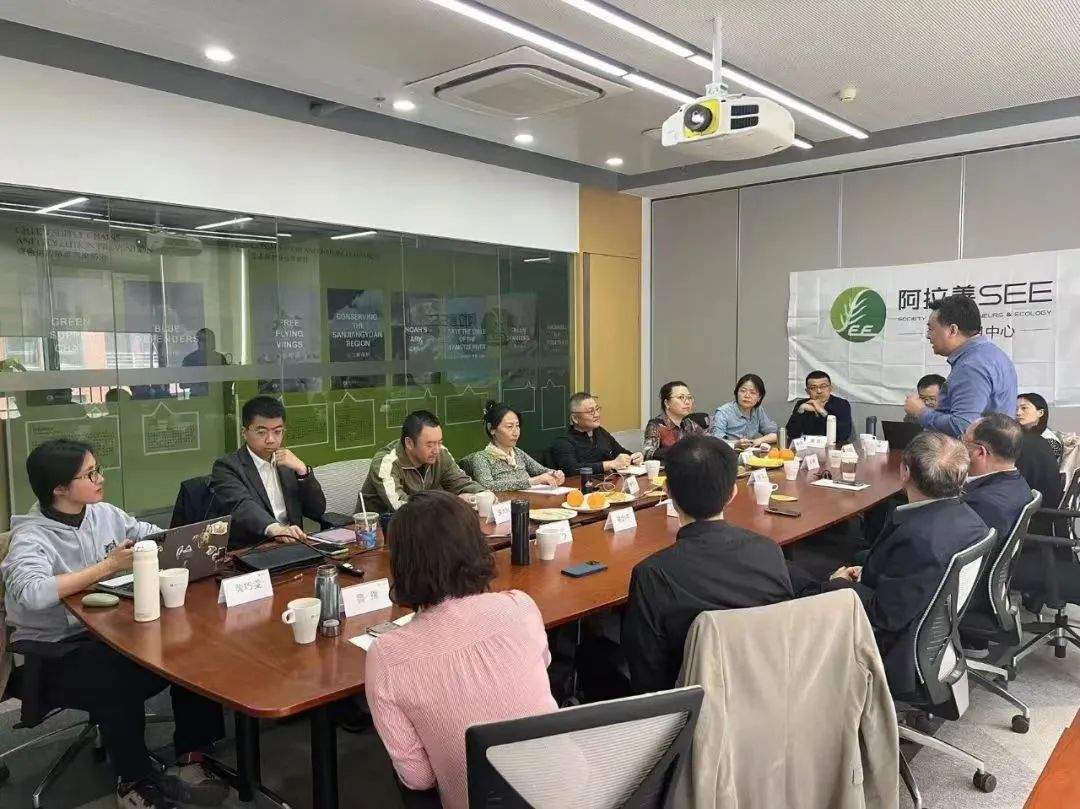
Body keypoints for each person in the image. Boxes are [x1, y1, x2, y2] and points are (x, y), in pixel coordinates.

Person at [2, 440, 227, 809]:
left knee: (186, 642)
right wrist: (106, 567)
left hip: (112, 633)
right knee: (113, 670)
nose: (100, 479)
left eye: (98, 470)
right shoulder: (30, 538)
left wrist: (177, 544)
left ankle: (192, 755)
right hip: (54, 652)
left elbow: (152, 535)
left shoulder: (103, 514)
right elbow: (33, 593)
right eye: (90, 474)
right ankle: (135, 782)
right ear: (59, 488)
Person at [365, 491, 557, 809]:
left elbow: (419, 778)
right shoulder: (520, 606)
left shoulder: (386, 656)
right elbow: (543, 665)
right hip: (573, 791)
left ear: (400, 564)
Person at [621, 435, 794, 694]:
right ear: (733, 493)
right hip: (770, 692)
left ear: (667, 492)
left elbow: (648, 679)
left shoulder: (653, 573)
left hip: (694, 707)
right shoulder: (769, 550)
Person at [824, 431, 990, 697]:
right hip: (931, 630)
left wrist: (840, 585)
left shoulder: (919, 539)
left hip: (896, 648)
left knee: (804, 585)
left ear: (904, 471)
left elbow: (885, 616)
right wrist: (870, 572)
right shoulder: (970, 519)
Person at [957, 414, 1034, 647]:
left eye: (963, 442)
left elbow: (943, 557)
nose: (960, 447)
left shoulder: (983, 503)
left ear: (980, 452)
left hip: (968, 595)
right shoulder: (1016, 483)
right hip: (994, 586)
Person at [210, 396, 326, 548]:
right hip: (253, 548)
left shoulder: (288, 463)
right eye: (261, 432)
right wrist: (277, 530)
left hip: (293, 546)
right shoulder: (227, 467)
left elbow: (317, 511)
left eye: (277, 431)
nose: (270, 439)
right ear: (244, 432)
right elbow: (241, 506)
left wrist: (302, 471)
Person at [903, 294, 1018, 438]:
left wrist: (921, 412)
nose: (928, 336)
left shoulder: (971, 365)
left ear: (952, 330)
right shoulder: (994, 355)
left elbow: (963, 427)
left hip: (976, 450)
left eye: (931, 329)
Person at [360, 410, 486, 512]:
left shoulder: (441, 454)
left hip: (426, 522)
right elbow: (400, 506)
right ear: (409, 443)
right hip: (378, 529)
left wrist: (483, 494)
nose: (436, 450)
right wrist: (452, 502)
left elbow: (462, 482)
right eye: (429, 445)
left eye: (439, 442)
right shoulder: (387, 462)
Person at [463, 401, 565, 491]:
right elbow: (487, 486)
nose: (516, 432)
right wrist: (531, 481)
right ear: (492, 429)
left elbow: (541, 471)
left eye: (517, 426)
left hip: (529, 500)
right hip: (504, 505)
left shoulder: (518, 452)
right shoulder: (481, 458)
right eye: (509, 426)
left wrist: (554, 474)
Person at [549, 392, 642, 477]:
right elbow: (572, 469)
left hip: (609, 483)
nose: (597, 414)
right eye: (591, 412)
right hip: (581, 487)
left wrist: (634, 457)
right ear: (575, 418)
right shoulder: (563, 441)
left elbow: (620, 452)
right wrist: (610, 464)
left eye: (597, 409)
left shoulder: (600, 432)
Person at [642, 381, 707, 461]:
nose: (687, 402)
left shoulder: (691, 423)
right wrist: (682, 452)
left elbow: (708, 445)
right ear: (667, 403)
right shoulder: (656, 425)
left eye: (689, 397)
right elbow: (648, 453)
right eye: (680, 397)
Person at [711, 373, 778, 449]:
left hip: (750, 453)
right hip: (727, 453)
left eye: (752, 392)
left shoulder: (757, 410)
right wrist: (736, 444)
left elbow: (775, 434)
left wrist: (757, 441)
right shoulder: (723, 412)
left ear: (759, 397)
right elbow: (716, 441)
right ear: (737, 393)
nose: (747, 395)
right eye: (743, 391)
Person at [785, 370, 853, 443]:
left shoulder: (841, 404)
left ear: (830, 388)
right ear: (807, 391)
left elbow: (844, 435)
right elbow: (791, 434)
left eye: (823, 386)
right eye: (813, 388)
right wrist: (800, 411)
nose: (819, 391)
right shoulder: (802, 404)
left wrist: (822, 411)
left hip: (834, 447)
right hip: (808, 447)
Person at [1017, 392, 1064, 463]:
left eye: (1024, 408)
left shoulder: (1050, 441)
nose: (1018, 413)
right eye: (1016, 409)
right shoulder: (1016, 434)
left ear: (1040, 413)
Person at [182, 329, 229, 397]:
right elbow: (183, 384)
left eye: (205, 340)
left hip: (217, 397)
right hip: (197, 398)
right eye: (200, 339)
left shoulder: (220, 358)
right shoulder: (189, 359)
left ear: (212, 341)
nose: (202, 342)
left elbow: (227, 382)